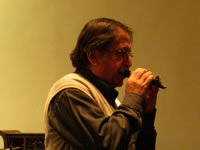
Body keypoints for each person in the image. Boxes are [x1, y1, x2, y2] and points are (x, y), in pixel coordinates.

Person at [44, 17, 159, 150]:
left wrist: (146, 113)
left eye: (129, 54)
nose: (129, 63)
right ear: (93, 57)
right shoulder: (69, 93)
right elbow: (107, 145)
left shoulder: (114, 103)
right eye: (122, 53)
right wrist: (133, 98)